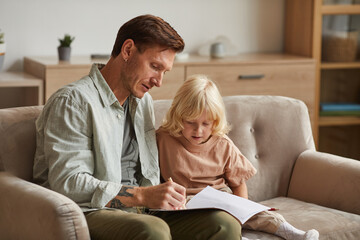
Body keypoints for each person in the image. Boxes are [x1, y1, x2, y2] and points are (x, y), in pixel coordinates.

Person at [33, 15, 242, 240]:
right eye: (154, 66)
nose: (159, 81)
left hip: (143, 211)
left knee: (224, 224)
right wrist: (143, 196)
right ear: (128, 50)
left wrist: (168, 197)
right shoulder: (73, 101)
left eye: (165, 72)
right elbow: (69, 183)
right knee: (153, 230)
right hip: (91, 211)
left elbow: (148, 174)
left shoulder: (142, 102)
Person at [156, 74, 320, 240]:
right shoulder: (163, 138)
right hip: (184, 201)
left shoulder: (222, 143)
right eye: (190, 122)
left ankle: (293, 233)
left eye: (206, 124)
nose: (198, 131)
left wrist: (241, 211)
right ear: (178, 115)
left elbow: (239, 185)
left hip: (221, 197)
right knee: (214, 223)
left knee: (259, 213)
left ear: (215, 121)